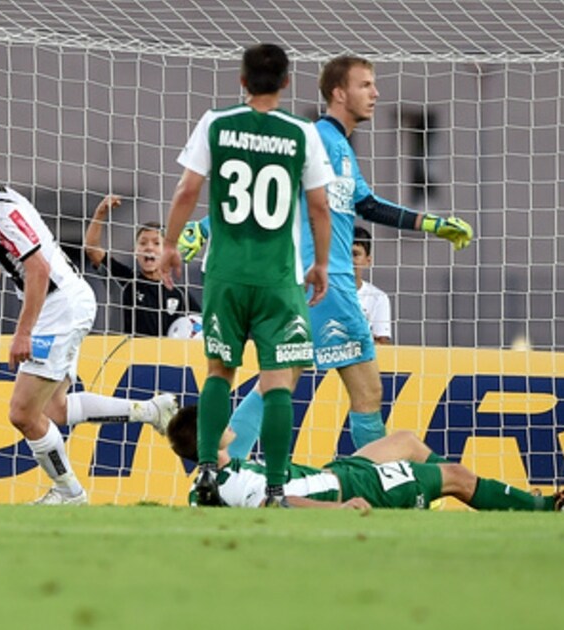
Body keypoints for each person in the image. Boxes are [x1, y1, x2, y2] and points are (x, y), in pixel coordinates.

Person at [178, 54, 473, 458]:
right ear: (339, 92)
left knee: (280, 381)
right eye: (365, 85)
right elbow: (265, 190)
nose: (376, 92)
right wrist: (204, 228)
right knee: (366, 392)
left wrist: (430, 224)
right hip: (327, 282)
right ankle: (391, 480)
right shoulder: (315, 137)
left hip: (303, 283)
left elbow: (366, 204)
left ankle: (225, 464)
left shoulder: (339, 146)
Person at [0, 124, 178, 505]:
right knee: (56, 409)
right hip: (60, 303)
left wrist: (23, 332)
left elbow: (39, 268)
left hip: (60, 305)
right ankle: (152, 411)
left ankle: (69, 492)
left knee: (23, 413)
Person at [159, 43, 334, 509]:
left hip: (226, 274)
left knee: (219, 371)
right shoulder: (301, 133)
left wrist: (171, 244)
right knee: (278, 381)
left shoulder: (216, 123)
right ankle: (276, 488)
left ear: (242, 80)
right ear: (286, 82)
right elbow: (319, 205)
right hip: (279, 277)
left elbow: (187, 190)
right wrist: (320, 263)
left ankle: (207, 475)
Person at [165, 404, 564, 512]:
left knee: (406, 440)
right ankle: (546, 506)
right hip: (349, 488)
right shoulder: (230, 482)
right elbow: (277, 503)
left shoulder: (214, 475)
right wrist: (339, 510)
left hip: (332, 473)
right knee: (457, 475)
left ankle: (453, 489)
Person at [80, 195, 200, 337]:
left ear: (168, 250)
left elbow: (201, 324)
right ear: (135, 251)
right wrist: (100, 212)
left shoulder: (179, 294)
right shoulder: (126, 281)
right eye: (143, 243)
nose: (149, 248)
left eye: (156, 243)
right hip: (130, 356)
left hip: (166, 357)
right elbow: (91, 249)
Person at [353, 224, 392, 344]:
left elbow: (382, 343)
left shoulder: (378, 298)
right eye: (343, 254)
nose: (349, 260)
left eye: (355, 254)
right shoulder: (320, 293)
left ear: (367, 261)